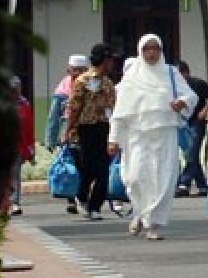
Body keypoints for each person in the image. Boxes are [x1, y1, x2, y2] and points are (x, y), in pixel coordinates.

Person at [108, 34, 198, 240]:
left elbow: (191, 95)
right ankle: (140, 212)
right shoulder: (132, 77)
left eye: (155, 48)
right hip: (137, 135)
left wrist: (182, 102)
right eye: (147, 48)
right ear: (141, 51)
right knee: (135, 177)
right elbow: (120, 112)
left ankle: (153, 225)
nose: (152, 52)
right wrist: (113, 139)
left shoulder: (171, 73)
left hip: (165, 133)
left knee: (163, 179)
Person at [64, 43, 117, 221]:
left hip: (104, 128)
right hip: (86, 129)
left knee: (103, 170)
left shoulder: (108, 83)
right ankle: (81, 197)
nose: (111, 64)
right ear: (103, 60)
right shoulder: (82, 80)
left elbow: (112, 109)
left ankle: (95, 206)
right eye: (109, 60)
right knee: (88, 168)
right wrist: (68, 130)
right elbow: (75, 108)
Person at [48, 54, 88, 214]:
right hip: (68, 133)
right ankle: (72, 199)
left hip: (87, 131)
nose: (78, 73)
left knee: (84, 165)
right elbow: (53, 117)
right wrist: (50, 140)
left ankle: (81, 196)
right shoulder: (62, 90)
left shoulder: (92, 86)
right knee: (71, 165)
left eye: (82, 70)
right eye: (74, 70)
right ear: (68, 70)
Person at [176, 60, 208, 196]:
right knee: (190, 154)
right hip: (182, 122)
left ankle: (184, 183)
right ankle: (202, 186)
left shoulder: (197, 83)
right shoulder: (174, 86)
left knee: (192, 151)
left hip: (196, 121)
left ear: (186, 73)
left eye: (180, 74)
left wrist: (204, 111)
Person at [10, 76, 36, 216]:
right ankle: (3, 202)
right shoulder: (0, 103)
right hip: (2, 145)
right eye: (13, 89)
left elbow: (29, 128)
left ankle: (15, 203)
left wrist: (31, 148)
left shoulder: (24, 104)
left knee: (15, 174)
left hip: (18, 146)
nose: (15, 91)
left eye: (17, 88)